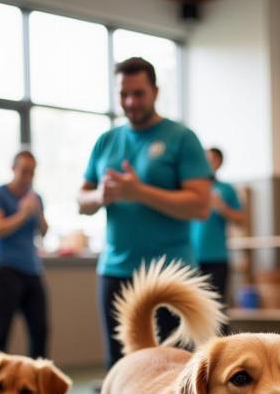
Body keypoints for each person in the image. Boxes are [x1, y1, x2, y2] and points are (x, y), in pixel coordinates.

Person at [77, 56, 212, 370]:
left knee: (176, 368)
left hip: (172, 273)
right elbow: (81, 200)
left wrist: (139, 192)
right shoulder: (106, 141)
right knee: (121, 368)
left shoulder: (181, 138)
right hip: (116, 271)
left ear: (155, 91)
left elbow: (200, 205)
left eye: (138, 94)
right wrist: (101, 195)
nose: (130, 102)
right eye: (124, 94)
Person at [0, 150, 49, 358]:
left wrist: (37, 212)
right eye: (24, 171)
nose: (28, 176)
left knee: (41, 330)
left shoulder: (35, 198)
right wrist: (23, 214)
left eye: (32, 172)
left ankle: (36, 382)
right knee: (0, 332)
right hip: (4, 268)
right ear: (13, 169)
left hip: (31, 269)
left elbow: (44, 232)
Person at [191, 147, 245, 305]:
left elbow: (241, 219)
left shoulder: (226, 190)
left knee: (217, 308)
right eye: (205, 158)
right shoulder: (190, 190)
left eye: (212, 159)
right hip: (191, 258)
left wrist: (222, 207)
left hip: (217, 257)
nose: (207, 163)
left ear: (219, 163)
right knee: (193, 309)